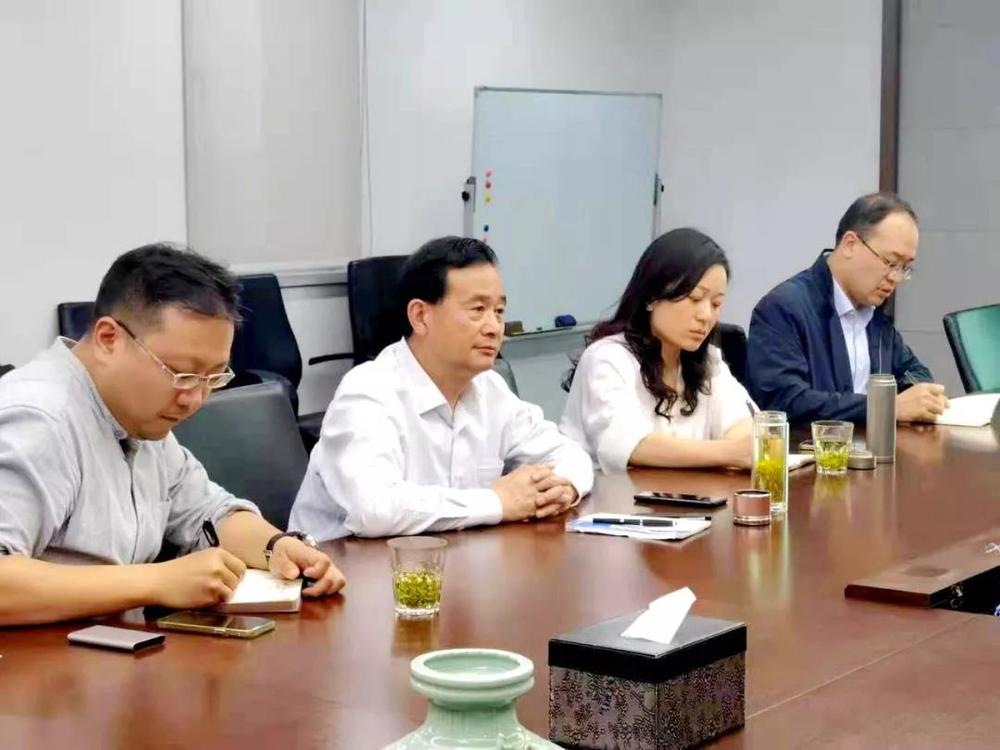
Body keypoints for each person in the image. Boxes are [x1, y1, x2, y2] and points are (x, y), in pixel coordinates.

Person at [0, 244, 345, 627]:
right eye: (181, 374)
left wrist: (276, 546)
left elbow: (206, 512)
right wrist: (157, 581)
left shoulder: (139, 415)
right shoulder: (39, 419)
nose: (195, 399)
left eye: (213, 377)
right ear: (109, 339)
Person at [289, 236, 593, 540]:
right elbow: (374, 509)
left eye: (499, 311)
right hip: (341, 563)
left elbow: (571, 454)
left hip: (447, 558)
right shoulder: (368, 392)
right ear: (421, 316)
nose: (493, 327)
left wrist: (564, 487)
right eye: (478, 309)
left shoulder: (490, 388)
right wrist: (497, 501)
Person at [560, 228, 753, 474]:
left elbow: (745, 429)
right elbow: (631, 447)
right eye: (695, 298)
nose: (706, 316)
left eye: (716, 304)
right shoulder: (607, 359)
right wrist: (729, 453)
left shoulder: (709, 361)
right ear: (652, 296)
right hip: (609, 496)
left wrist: (741, 447)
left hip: (684, 496)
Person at [746, 193, 948, 423]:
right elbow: (786, 402)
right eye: (890, 262)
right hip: (812, 445)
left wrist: (919, 397)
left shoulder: (875, 313)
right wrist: (884, 408)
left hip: (873, 443)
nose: (895, 277)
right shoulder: (783, 308)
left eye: (904, 268)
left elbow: (914, 372)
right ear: (850, 244)